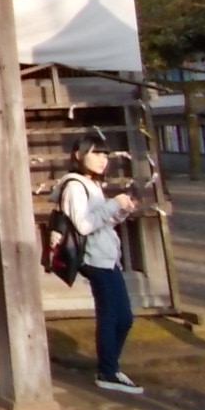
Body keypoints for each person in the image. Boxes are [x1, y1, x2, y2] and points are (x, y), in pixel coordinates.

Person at [58, 131, 141, 394]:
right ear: (78, 155)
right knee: (111, 316)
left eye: (105, 153)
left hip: (108, 257)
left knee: (124, 318)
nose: (102, 159)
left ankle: (110, 367)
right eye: (95, 152)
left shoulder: (92, 184)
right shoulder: (73, 186)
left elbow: (101, 223)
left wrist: (121, 209)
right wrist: (113, 203)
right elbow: (83, 226)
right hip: (95, 260)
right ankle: (107, 371)